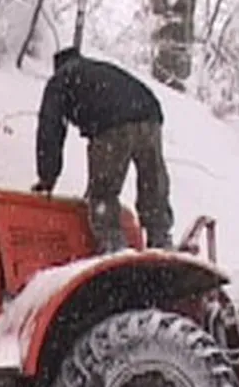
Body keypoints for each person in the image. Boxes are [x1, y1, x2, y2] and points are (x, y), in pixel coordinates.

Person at [31, 46, 175, 253]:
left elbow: (50, 128)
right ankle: (160, 237)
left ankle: (114, 246)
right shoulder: (96, 69)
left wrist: (47, 176)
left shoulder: (60, 80)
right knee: (152, 181)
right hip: (149, 113)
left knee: (103, 192)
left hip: (111, 122)